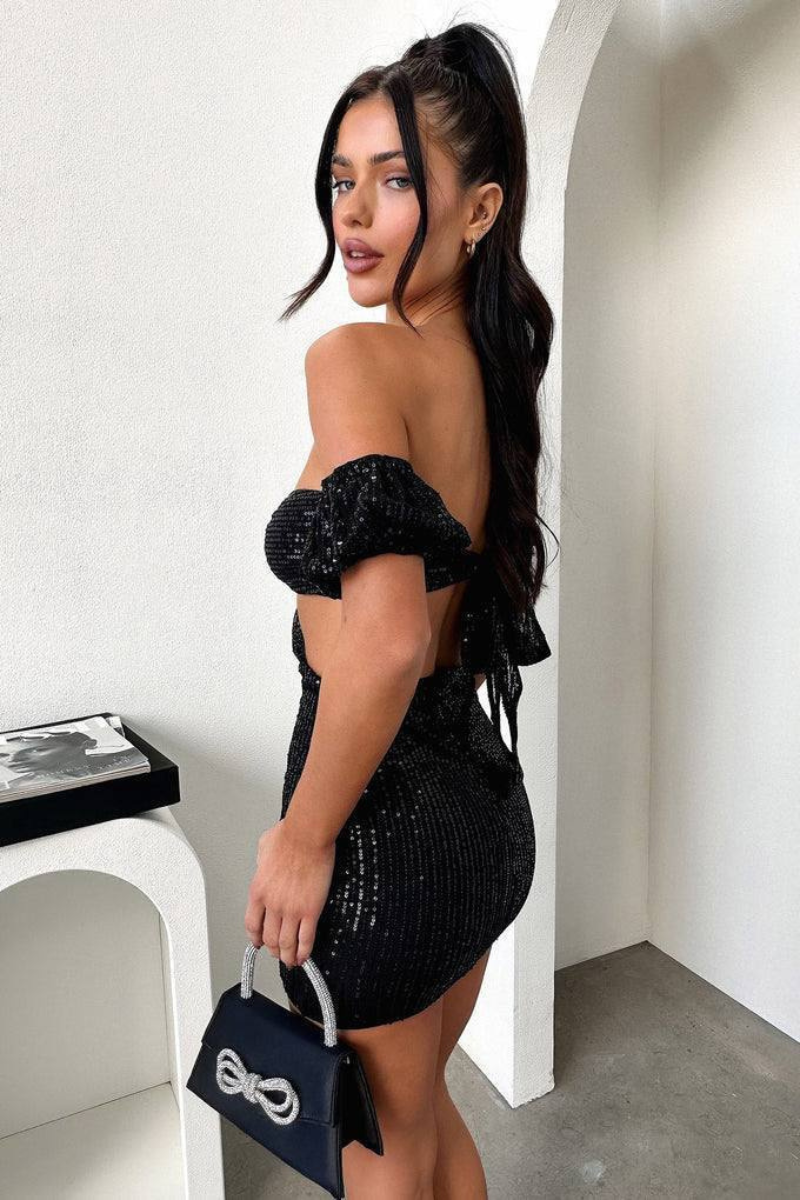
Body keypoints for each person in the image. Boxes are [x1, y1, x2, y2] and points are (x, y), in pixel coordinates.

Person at [248, 20, 556, 1200]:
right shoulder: (486, 371)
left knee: (380, 1154)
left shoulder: (357, 360)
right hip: (479, 814)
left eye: (394, 180)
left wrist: (301, 838)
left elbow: (384, 640)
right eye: (342, 180)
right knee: (421, 1119)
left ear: (477, 211)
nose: (355, 214)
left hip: (379, 839)